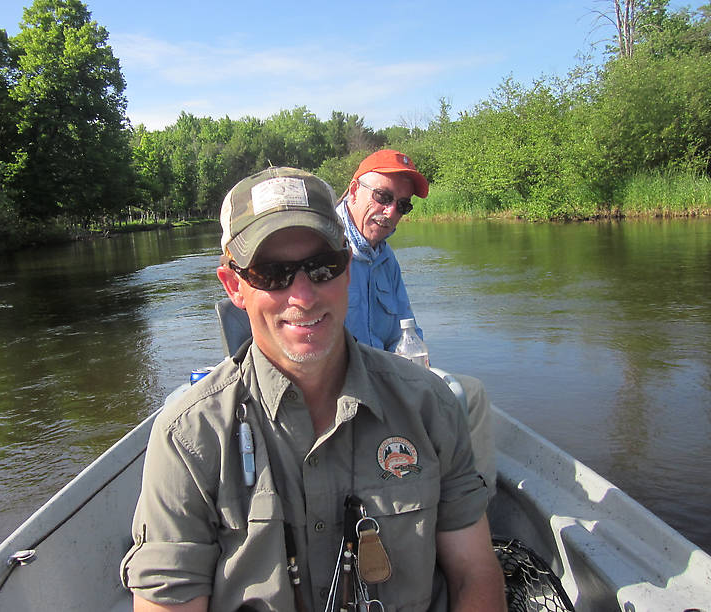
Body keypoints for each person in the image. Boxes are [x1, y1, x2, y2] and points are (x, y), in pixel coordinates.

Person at [120, 166, 506, 612]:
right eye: (271, 273)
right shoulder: (187, 437)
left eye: (322, 267)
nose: (303, 296)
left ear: (346, 268)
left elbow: (474, 573)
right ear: (235, 287)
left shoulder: (430, 405)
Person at [336, 149, 496, 498]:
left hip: (385, 379)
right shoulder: (323, 248)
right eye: (383, 197)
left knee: (471, 396)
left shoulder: (385, 258)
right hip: (340, 392)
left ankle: (476, 511)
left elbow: (406, 332)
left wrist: (415, 378)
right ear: (353, 191)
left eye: (403, 206)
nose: (391, 212)